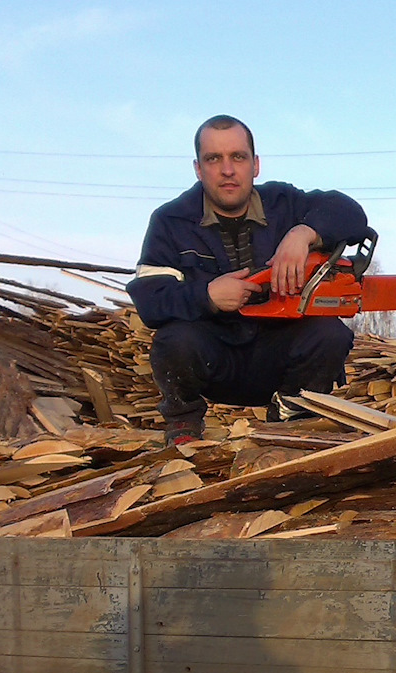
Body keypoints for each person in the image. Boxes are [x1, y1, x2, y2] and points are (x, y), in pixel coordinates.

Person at [126, 115, 372, 444]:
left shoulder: (285, 203)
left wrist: (304, 234)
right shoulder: (169, 221)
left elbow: (350, 213)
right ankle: (183, 423)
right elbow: (150, 298)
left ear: (255, 165)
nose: (228, 170)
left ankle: (292, 413)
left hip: (279, 356)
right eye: (214, 159)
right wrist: (207, 297)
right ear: (198, 168)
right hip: (214, 358)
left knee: (330, 334)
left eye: (238, 157)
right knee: (174, 340)